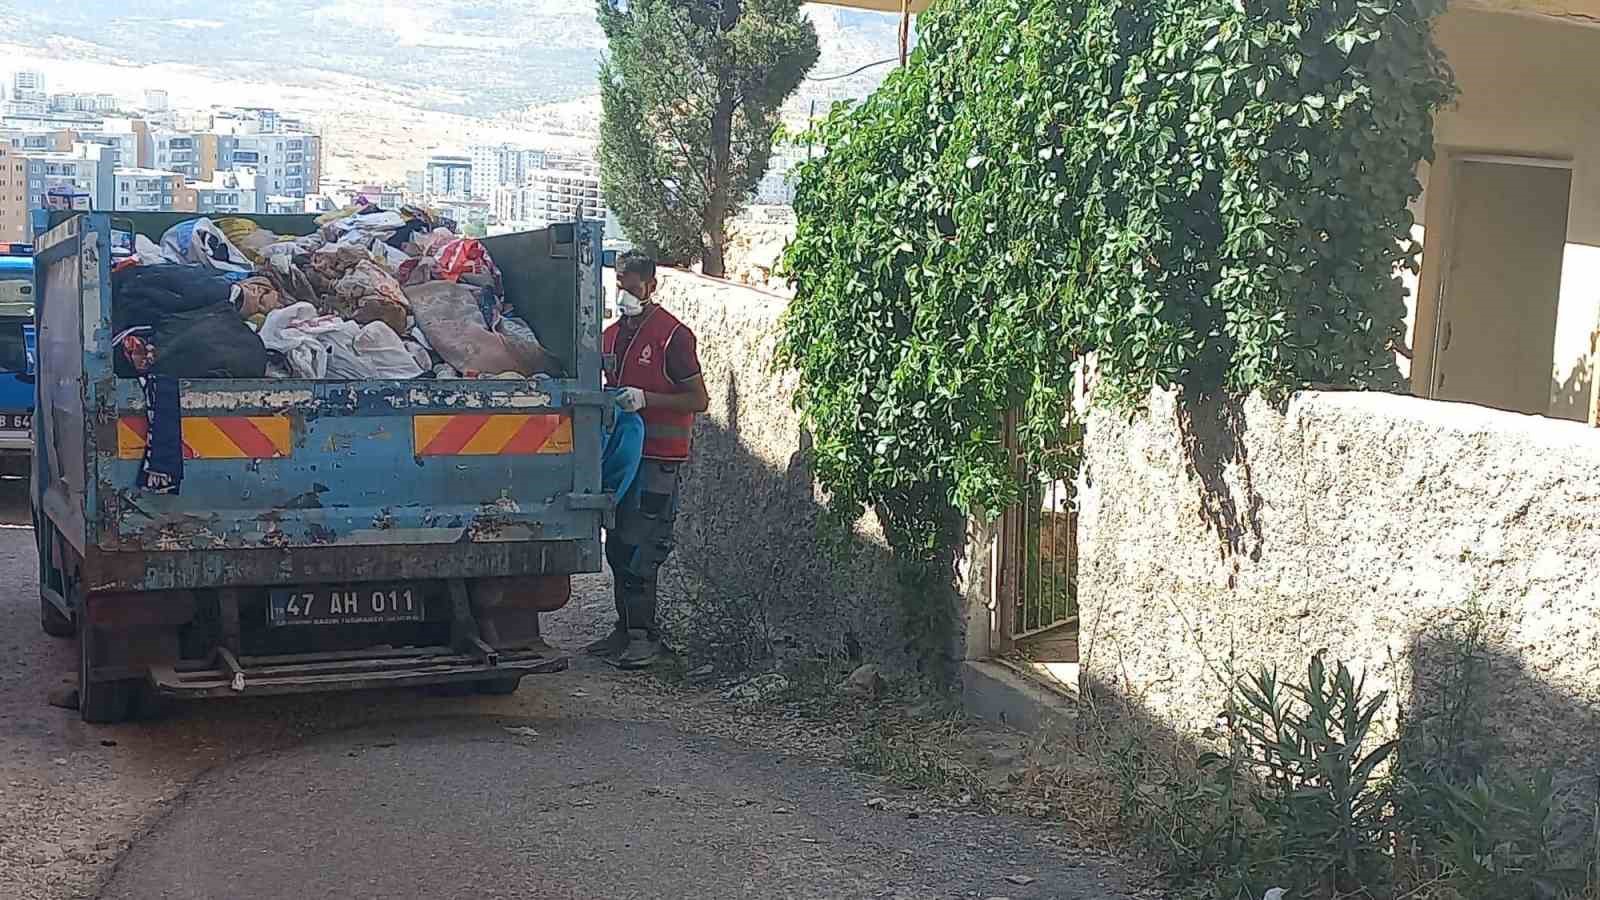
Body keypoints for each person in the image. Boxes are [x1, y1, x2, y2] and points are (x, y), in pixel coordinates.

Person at [587, 252, 709, 669]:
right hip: (623, 458)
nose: (624, 293)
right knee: (618, 545)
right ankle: (625, 629)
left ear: (651, 287)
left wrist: (645, 399)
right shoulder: (609, 336)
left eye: (632, 286)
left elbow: (699, 399)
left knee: (642, 547)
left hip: (659, 459)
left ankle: (645, 636)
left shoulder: (673, 337)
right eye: (619, 283)